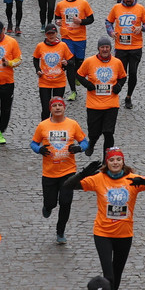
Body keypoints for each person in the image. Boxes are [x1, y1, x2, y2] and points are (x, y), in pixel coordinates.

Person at [62, 151, 145, 290]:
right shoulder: (98, 179)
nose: (115, 162)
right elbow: (68, 185)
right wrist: (83, 173)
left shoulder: (132, 179)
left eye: (119, 159)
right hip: (103, 233)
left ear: (123, 162)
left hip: (124, 235)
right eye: (112, 160)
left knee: (117, 275)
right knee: (109, 275)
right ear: (107, 162)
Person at [30, 95, 86, 244]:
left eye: (60, 105)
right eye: (54, 106)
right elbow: (33, 144)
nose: (57, 108)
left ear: (64, 108)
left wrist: (78, 148)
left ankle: (60, 231)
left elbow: (85, 142)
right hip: (49, 172)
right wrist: (39, 150)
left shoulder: (72, 124)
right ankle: (47, 207)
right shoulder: (43, 126)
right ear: (50, 109)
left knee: (66, 202)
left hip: (68, 171)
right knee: (51, 203)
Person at [75, 38, 127, 156]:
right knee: (94, 132)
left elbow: (123, 77)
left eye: (107, 47)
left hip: (111, 104)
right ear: (98, 48)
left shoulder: (117, 62)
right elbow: (79, 75)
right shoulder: (89, 61)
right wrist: (87, 84)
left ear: (110, 48)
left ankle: (107, 159)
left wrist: (119, 86)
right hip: (94, 104)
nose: (105, 49)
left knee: (108, 133)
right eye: (102, 47)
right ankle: (92, 143)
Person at [106, 0, 145, 109]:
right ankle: (114, 94)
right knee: (120, 73)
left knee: (133, 72)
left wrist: (141, 28)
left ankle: (129, 97)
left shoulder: (140, 8)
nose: (129, 0)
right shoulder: (116, 8)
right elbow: (108, 22)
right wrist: (111, 32)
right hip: (120, 46)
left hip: (136, 46)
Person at [55, 0, 94, 102]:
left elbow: (91, 19)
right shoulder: (61, 5)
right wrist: (57, 22)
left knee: (79, 62)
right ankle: (73, 91)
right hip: (67, 38)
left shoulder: (83, 3)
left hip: (80, 38)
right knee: (70, 63)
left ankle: (77, 75)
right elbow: (57, 17)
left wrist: (81, 21)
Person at [34, 24, 74, 119]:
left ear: (56, 33)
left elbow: (72, 61)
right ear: (46, 35)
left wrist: (67, 62)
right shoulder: (40, 46)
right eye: (49, 34)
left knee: (56, 109)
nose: (51, 36)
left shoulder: (63, 45)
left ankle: (54, 127)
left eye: (53, 33)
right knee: (46, 109)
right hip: (44, 82)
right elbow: (35, 59)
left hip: (59, 82)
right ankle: (44, 127)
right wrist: (38, 70)